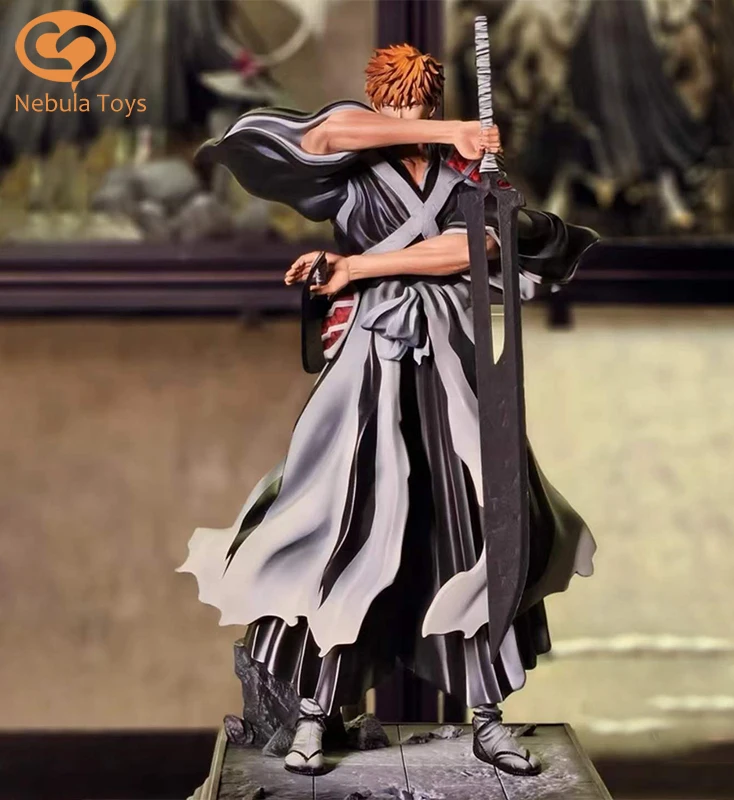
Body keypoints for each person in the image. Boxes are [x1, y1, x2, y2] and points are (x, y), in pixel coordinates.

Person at [178, 43, 598, 778]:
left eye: (420, 104)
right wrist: (449, 130)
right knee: (344, 522)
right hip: (369, 367)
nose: (407, 117)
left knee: (474, 520)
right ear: (378, 103)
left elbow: (476, 247)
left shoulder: (467, 176)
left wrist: (359, 265)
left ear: (432, 100)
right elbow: (322, 135)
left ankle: (487, 717)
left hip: (454, 366)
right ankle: (314, 715)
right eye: (395, 106)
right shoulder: (354, 168)